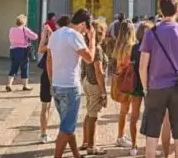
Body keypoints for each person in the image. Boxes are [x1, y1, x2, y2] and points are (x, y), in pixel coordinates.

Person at [139, 0, 178, 158]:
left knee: (151, 136)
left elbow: (142, 66)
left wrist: (145, 89)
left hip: (155, 87)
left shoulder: (151, 33)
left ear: (160, 10)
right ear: (176, 11)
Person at [46, 9, 97, 158]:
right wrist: (92, 40)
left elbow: (49, 59)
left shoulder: (56, 34)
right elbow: (89, 58)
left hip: (56, 85)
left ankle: (76, 154)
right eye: (86, 27)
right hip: (70, 87)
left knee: (67, 124)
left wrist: (52, 80)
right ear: (82, 24)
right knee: (67, 127)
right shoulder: (74, 35)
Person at [38, 14, 70, 143]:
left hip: (47, 75)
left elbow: (41, 48)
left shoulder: (52, 42)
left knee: (45, 106)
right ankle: (63, 134)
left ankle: (43, 134)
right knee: (63, 108)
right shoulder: (65, 41)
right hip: (59, 77)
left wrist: (46, 34)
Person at [80, 20, 108, 156]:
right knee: (94, 115)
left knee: (89, 112)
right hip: (94, 83)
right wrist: (103, 92)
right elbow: (99, 71)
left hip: (86, 81)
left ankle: (86, 141)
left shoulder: (88, 45)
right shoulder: (97, 48)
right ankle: (91, 146)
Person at [129, 21, 154, 156]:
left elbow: (132, 64)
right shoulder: (153, 47)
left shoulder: (134, 48)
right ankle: (146, 145)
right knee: (149, 116)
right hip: (149, 84)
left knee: (135, 116)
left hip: (137, 84)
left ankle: (134, 145)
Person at [112, 20, 137, 148]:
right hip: (128, 81)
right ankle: (120, 137)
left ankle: (121, 135)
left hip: (120, 80)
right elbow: (127, 64)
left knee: (124, 110)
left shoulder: (118, 45)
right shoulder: (130, 46)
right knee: (126, 110)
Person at [7, 14, 38, 92]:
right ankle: (25, 85)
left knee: (13, 68)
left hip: (13, 50)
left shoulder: (11, 29)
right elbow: (35, 36)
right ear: (24, 22)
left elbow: (10, 39)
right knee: (24, 68)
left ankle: (9, 84)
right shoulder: (25, 29)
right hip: (23, 50)